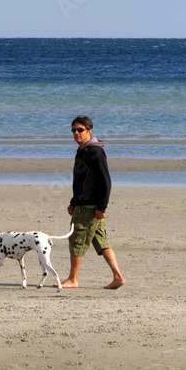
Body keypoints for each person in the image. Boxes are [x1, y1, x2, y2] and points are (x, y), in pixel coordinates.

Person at [58, 115, 125, 290]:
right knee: (100, 240)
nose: (76, 133)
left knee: (76, 239)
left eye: (80, 130)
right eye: (73, 130)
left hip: (90, 206)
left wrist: (102, 206)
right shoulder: (82, 151)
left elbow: (106, 181)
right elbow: (80, 181)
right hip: (84, 204)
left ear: (89, 131)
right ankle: (118, 277)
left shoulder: (94, 152)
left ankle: (73, 279)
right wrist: (73, 201)